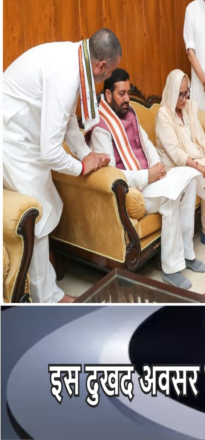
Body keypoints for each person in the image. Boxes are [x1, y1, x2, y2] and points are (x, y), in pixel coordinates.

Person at [2, 29, 121, 303]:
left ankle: (46, 293)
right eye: (110, 72)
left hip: (25, 137)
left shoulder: (76, 57)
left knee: (44, 208)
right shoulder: (66, 75)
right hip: (11, 139)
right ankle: (48, 299)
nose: (108, 76)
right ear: (101, 66)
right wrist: (82, 168)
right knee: (40, 211)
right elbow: (51, 152)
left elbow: (67, 119)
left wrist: (88, 155)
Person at [88, 69, 205, 290]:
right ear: (108, 94)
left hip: (152, 178)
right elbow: (111, 175)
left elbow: (147, 143)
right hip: (134, 190)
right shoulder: (101, 129)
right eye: (121, 94)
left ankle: (187, 254)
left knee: (189, 179)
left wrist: (157, 167)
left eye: (128, 92)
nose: (127, 98)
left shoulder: (130, 112)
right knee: (171, 196)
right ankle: (171, 268)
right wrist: (147, 176)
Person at [155, 70, 205, 249]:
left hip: (195, 154)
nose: (184, 99)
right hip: (178, 164)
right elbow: (177, 154)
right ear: (171, 92)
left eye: (186, 93)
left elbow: (201, 136)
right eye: (180, 94)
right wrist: (203, 169)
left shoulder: (189, 107)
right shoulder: (163, 115)